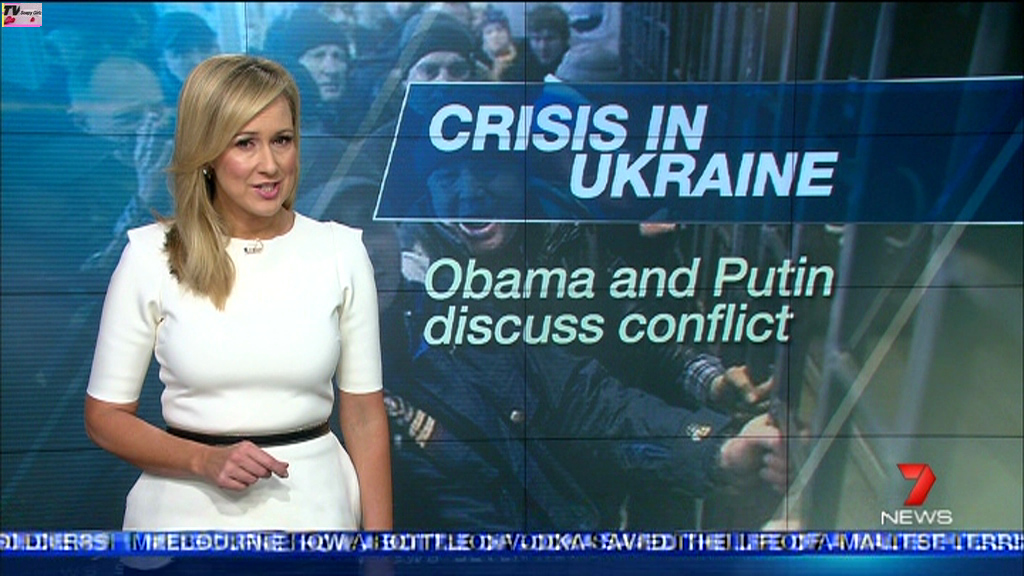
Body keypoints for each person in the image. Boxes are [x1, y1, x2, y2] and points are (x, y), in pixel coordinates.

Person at [83, 54, 392, 534]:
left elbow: (365, 417)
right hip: (180, 526)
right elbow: (104, 416)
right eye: (245, 143)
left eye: (282, 140)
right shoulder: (150, 256)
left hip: (316, 519)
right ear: (206, 153)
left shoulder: (341, 251)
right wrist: (202, 460)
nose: (270, 164)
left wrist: (381, 551)